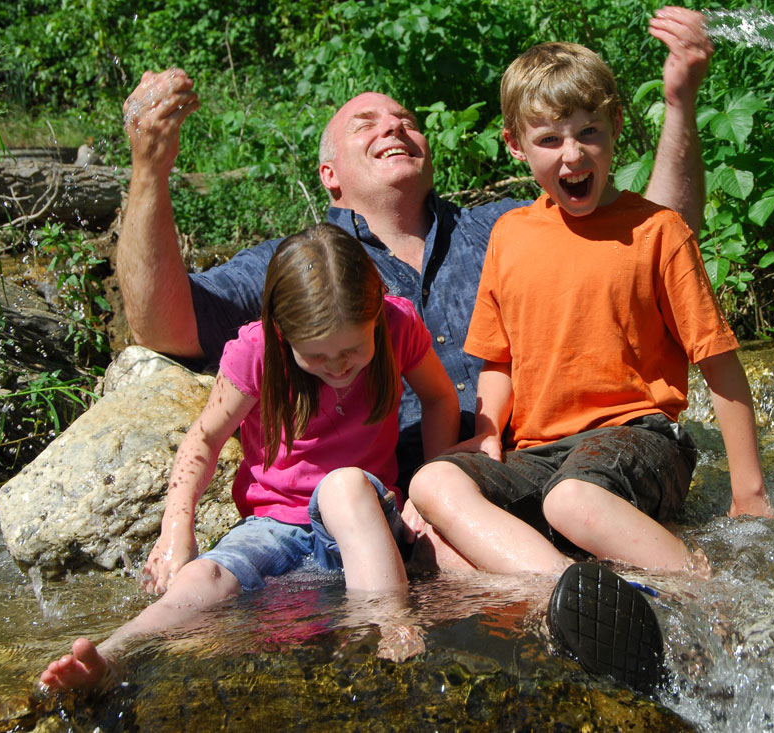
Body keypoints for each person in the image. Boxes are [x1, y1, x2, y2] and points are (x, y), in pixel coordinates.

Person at [116, 7, 722, 491]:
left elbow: (652, 236)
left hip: (544, 469)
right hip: (394, 500)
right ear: (330, 174)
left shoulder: (509, 228)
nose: (394, 126)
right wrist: (149, 168)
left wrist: (680, 102)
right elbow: (164, 326)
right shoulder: (306, 267)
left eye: (404, 118)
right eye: (366, 123)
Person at [405, 41, 774, 686]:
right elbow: (499, 358)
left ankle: (708, 593)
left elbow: (718, 361)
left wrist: (750, 491)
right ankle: (572, 596)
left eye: (588, 134)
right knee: (432, 483)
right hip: (540, 451)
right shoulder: (510, 236)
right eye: (550, 139)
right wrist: (488, 430)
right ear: (516, 146)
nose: (572, 154)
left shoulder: (657, 232)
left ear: (616, 132)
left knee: (573, 503)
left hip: (638, 436)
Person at [39, 224, 459, 692]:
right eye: (317, 356)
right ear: (282, 330)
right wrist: (177, 531)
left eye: (352, 350)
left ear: (376, 314)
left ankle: (388, 625)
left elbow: (441, 400)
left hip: (367, 523)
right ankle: (117, 653)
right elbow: (203, 441)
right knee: (206, 574)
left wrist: (426, 495)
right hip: (275, 527)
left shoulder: (398, 325)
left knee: (343, 486)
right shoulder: (257, 352)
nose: (339, 366)